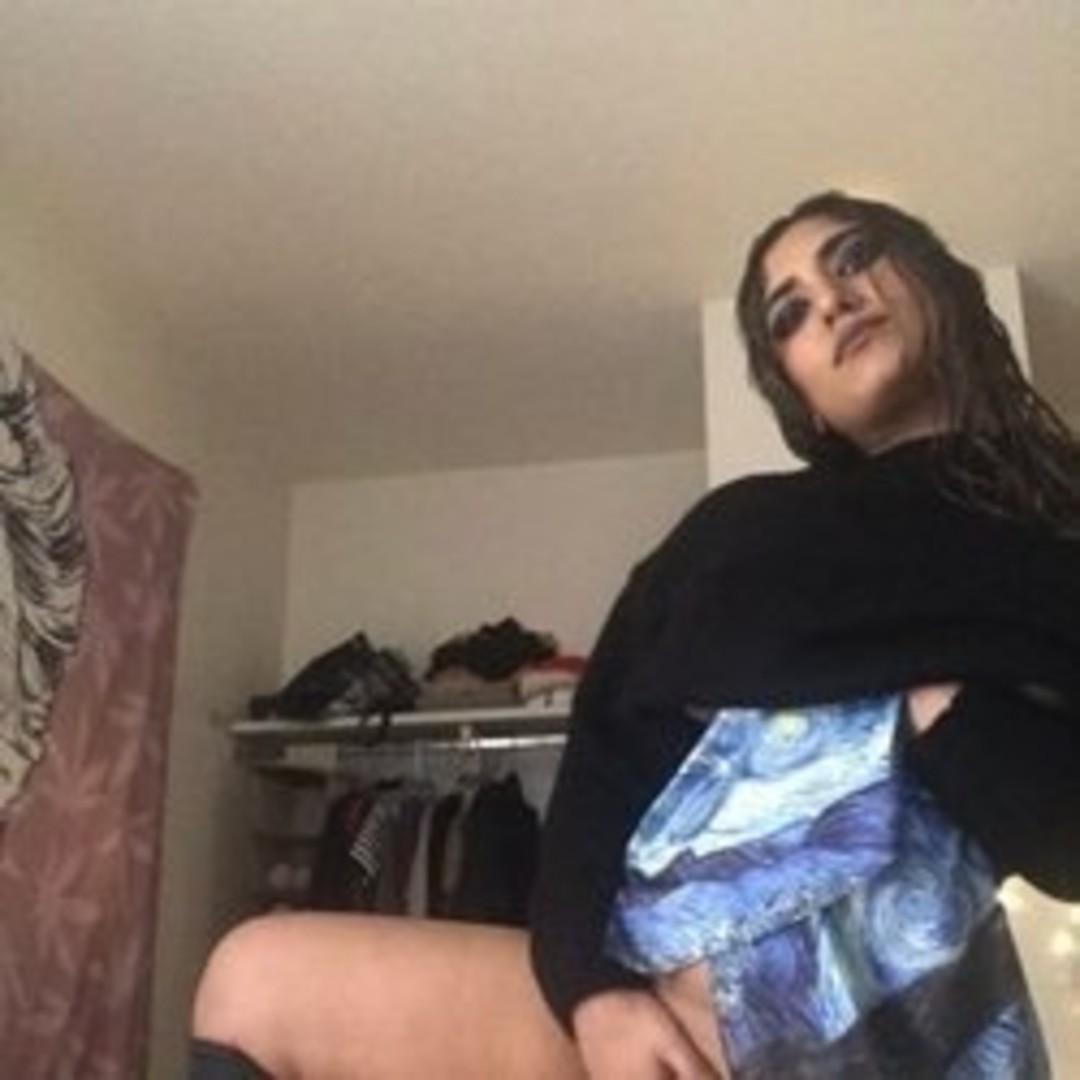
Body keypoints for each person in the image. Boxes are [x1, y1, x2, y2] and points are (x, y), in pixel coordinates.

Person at [188, 192, 1080, 1079]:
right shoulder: (734, 536)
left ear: (934, 280)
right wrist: (595, 996)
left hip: (893, 1029)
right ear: (801, 399)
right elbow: (603, 769)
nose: (832, 302)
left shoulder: (1055, 528)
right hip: (653, 1014)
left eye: (852, 258)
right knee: (255, 981)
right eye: (790, 313)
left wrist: (940, 709)